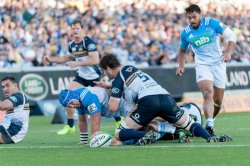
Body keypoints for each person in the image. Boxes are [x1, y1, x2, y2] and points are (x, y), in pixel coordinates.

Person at [99, 54, 232, 146]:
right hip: (165, 97)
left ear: (108, 68)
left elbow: (113, 107)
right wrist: (111, 87)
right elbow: (131, 85)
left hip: (148, 101)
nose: (105, 74)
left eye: (104, 71)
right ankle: (210, 137)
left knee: (119, 133)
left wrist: (110, 95)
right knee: (189, 124)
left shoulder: (118, 79)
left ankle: (146, 135)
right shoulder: (130, 68)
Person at [176, 4, 237, 135]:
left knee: (218, 101)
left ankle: (211, 119)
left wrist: (228, 52)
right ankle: (209, 125)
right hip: (202, 65)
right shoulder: (186, 33)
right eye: (189, 18)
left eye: (194, 17)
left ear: (200, 15)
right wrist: (181, 66)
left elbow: (232, 36)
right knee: (207, 92)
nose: (192, 20)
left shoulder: (212, 23)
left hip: (218, 63)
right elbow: (182, 51)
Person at [44, 19, 102, 135]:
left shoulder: (88, 43)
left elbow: (95, 60)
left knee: (107, 100)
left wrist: (77, 63)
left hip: (95, 77)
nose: (75, 30)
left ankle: (118, 120)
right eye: (73, 28)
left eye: (77, 28)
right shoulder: (72, 45)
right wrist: (52, 59)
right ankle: (70, 126)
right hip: (82, 77)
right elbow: (66, 58)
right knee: (68, 96)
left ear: (83, 29)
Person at [58, 86, 125, 145]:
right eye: (69, 106)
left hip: (121, 103)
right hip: (108, 108)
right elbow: (82, 120)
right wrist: (84, 140)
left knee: (126, 135)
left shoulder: (87, 97)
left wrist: (95, 136)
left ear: (73, 97)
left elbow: (95, 116)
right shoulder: (77, 99)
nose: (72, 106)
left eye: (71, 103)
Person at [0, 77, 30, 144]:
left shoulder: (19, 96)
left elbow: (2, 106)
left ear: (15, 86)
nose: (5, 89)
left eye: (7, 86)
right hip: (4, 129)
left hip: (12, 132)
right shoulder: (11, 99)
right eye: (3, 87)